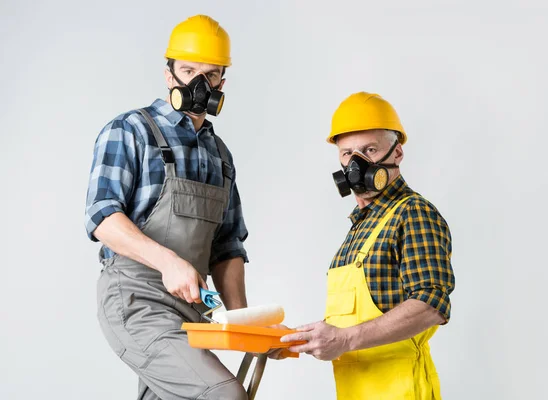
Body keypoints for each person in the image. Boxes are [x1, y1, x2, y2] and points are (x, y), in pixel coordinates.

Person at [85, 15, 251, 400]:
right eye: (188, 70)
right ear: (168, 74)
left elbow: (226, 246)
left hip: (192, 311)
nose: (198, 83)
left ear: (221, 83)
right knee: (223, 394)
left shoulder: (220, 156)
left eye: (208, 75)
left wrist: (244, 322)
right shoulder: (130, 130)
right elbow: (102, 217)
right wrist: (168, 262)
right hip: (135, 299)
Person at [281, 92, 456, 399]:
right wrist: (299, 339)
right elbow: (348, 326)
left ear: (397, 152)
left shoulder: (412, 212)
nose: (356, 164)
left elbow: (431, 303)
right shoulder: (362, 225)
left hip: (400, 390)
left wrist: (345, 339)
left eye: (370, 150)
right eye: (347, 154)